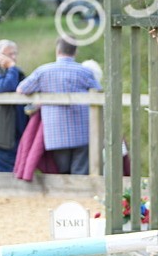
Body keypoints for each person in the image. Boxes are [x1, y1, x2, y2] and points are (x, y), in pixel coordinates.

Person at [17, 38, 102, 175]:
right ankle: (78, 195)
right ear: (76, 51)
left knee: (61, 172)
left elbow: (21, 89)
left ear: (58, 50)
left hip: (55, 133)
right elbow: (98, 93)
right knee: (80, 172)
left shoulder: (43, 71)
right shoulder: (84, 72)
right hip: (83, 131)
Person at [0, 40, 27, 172]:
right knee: (5, 176)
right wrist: (12, 67)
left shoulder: (16, 71)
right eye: (9, 54)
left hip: (16, 134)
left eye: (15, 54)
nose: (13, 58)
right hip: (0, 137)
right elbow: (6, 87)